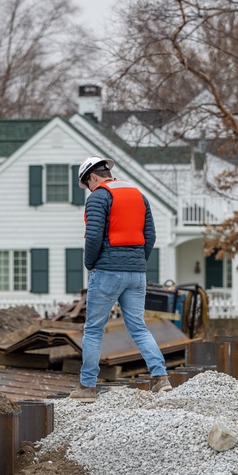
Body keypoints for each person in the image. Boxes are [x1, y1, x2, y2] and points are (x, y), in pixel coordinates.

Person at [69, 156, 172, 402]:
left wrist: (90, 264)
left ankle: (87, 388)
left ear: (93, 177)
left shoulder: (99, 197)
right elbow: (151, 235)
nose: (89, 190)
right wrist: (138, 261)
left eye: (88, 185)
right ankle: (161, 379)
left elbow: (93, 237)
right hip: (136, 273)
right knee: (138, 326)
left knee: (93, 329)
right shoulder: (138, 195)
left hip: (107, 271)